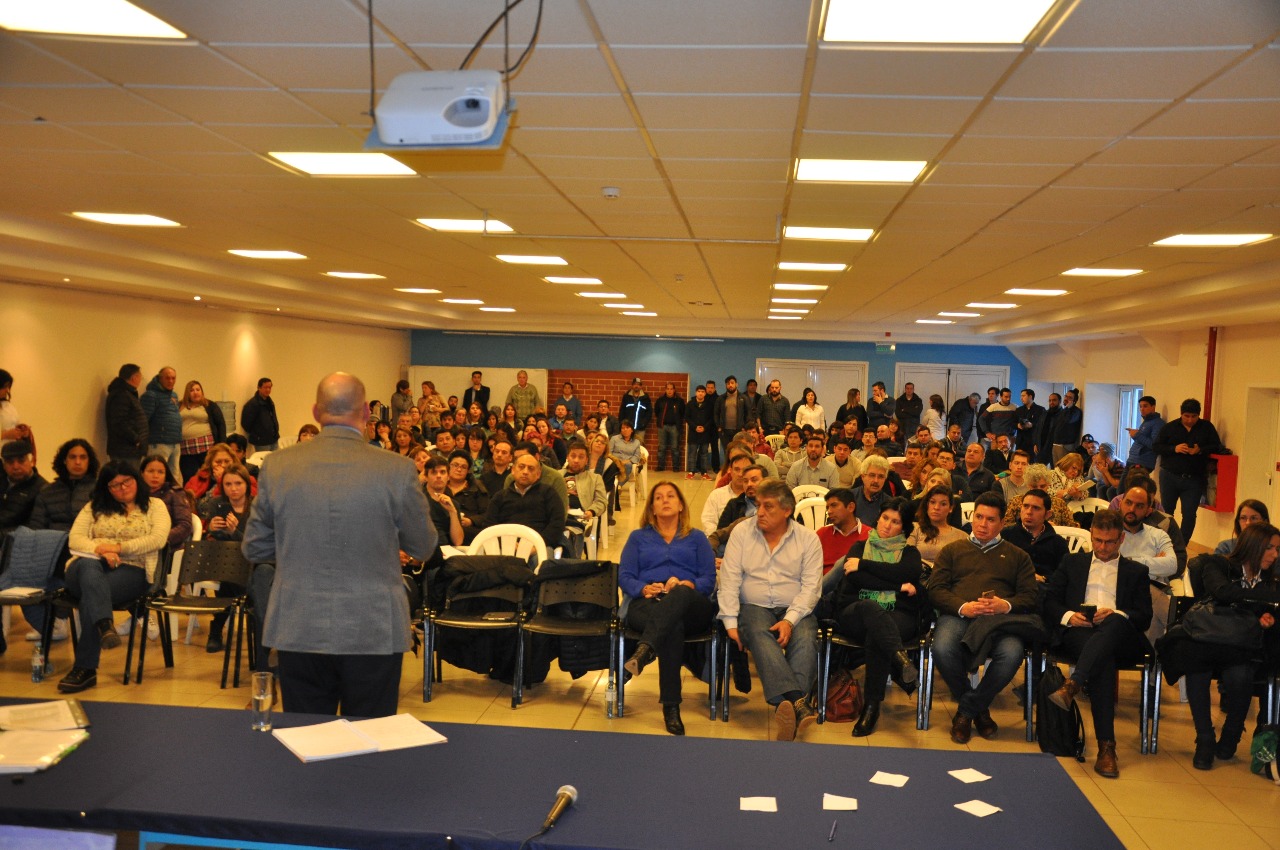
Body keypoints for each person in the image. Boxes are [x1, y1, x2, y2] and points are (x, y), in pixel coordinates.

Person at [241, 372, 434, 717]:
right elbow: (423, 545)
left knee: (308, 733)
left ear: (316, 412)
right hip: (373, 626)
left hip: (300, 623)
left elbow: (254, 547)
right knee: (371, 735)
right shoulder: (398, 469)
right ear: (366, 413)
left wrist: (301, 548)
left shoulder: (278, 466)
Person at [1157, 523, 1280, 770]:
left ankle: (1231, 735)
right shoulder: (1217, 564)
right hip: (1207, 637)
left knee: (1240, 675)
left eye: (1278, 549)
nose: (1275, 554)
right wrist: (1262, 603)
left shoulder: (1272, 578)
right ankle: (1204, 738)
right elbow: (1223, 592)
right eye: (1269, 548)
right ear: (1253, 546)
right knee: (1197, 667)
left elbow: (1264, 608)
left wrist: (1267, 617)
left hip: (1241, 645)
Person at [1042, 509, 1154, 778]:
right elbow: (1049, 601)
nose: (1103, 548)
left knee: (1114, 622)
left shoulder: (1136, 571)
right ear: (1091, 535)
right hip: (1080, 633)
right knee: (1103, 660)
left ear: (1121, 540)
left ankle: (1074, 683)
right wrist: (1070, 616)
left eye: (1110, 542)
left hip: (1122, 637)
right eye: (1098, 541)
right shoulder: (1072, 562)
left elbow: (1144, 616)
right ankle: (1106, 748)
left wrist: (1117, 613)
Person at [926, 491, 1039, 744]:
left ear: (1001, 523)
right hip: (959, 615)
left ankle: (967, 711)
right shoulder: (952, 551)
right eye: (978, 517)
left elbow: (1031, 596)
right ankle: (979, 710)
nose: (982, 524)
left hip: (999, 622)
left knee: (1012, 654)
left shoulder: (1018, 556)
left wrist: (1005, 605)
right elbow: (936, 590)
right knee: (942, 648)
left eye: (990, 519)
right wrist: (962, 607)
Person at [718, 478, 823, 742]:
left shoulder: (808, 540)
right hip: (754, 606)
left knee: (806, 638)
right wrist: (730, 622)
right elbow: (729, 579)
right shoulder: (742, 533)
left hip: (796, 607)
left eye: (768, 506)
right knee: (757, 631)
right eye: (758, 505)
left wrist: (790, 620)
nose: (760, 512)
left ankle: (786, 708)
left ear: (787, 510)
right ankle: (799, 702)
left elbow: (811, 588)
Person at [57, 461, 171, 693]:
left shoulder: (155, 506)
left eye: (126, 481)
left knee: (92, 595)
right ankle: (104, 625)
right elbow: (75, 539)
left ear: (136, 479)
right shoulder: (94, 507)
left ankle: (85, 668)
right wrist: (101, 550)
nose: (122, 488)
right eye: (115, 485)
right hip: (84, 566)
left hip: (132, 570)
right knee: (88, 568)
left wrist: (119, 548)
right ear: (106, 488)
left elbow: (157, 539)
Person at [619, 482, 718, 735]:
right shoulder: (638, 537)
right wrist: (643, 588)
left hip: (692, 605)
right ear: (651, 507)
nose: (665, 500)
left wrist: (688, 584)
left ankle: (645, 649)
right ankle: (671, 706)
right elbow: (625, 576)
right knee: (672, 627)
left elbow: (709, 579)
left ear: (681, 504)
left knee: (680, 594)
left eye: (671, 496)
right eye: (659, 497)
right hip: (648, 603)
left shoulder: (697, 538)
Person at [832, 497, 924, 736]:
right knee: (871, 608)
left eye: (895, 522)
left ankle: (871, 707)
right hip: (855, 612)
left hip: (899, 615)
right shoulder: (859, 547)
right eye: (885, 518)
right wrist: (897, 585)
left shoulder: (909, 553)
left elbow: (909, 571)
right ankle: (900, 661)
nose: (887, 525)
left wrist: (865, 565)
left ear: (903, 528)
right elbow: (855, 578)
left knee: (878, 633)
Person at [195, 463, 253, 653]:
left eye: (238, 483)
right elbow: (215, 539)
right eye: (228, 484)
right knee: (229, 567)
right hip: (222, 559)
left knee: (231, 576)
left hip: (250, 560)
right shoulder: (217, 503)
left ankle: (217, 627)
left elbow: (254, 543)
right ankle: (252, 609)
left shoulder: (256, 506)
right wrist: (212, 528)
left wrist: (234, 532)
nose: (233, 488)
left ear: (246, 484)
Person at [1153, 398, 1222, 543]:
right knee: (1167, 512)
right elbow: (1156, 446)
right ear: (1181, 414)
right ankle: (1164, 542)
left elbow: (1217, 446)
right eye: (1187, 416)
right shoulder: (1170, 427)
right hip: (1169, 476)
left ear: (1199, 415)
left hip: (1194, 478)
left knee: (1189, 514)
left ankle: (1181, 545)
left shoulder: (1206, 427)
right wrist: (1174, 448)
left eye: (1194, 416)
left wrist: (1200, 449)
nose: (1190, 420)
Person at [476, 451, 566, 551]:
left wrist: (537, 545)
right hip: (504, 547)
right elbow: (489, 526)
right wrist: (505, 543)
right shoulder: (500, 497)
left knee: (546, 555)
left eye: (531, 468)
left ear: (538, 474)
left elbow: (557, 524)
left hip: (538, 547)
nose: (525, 472)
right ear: (513, 470)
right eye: (521, 467)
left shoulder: (548, 493)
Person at [1001, 489, 1069, 582]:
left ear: (1047, 514)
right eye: (1025, 506)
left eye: (1036, 508)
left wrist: (1044, 578)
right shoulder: (1005, 535)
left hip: (1044, 587)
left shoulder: (1058, 542)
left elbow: (1065, 575)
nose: (1029, 512)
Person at [177, 380, 227, 483]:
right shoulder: (179, 406)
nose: (195, 392)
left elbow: (221, 424)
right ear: (187, 393)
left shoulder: (210, 405)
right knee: (189, 478)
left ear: (202, 391)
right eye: (192, 390)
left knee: (208, 476)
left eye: (198, 389)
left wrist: (221, 446)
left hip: (207, 448)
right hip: (186, 450)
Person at [906, 484, 966, 565]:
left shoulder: (962, 537)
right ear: (927, 504)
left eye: (943, 504)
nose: (936, 507)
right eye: (932, 502)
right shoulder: (914, 528)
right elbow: (907, 558)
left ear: (951, 508)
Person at [140, 367, 182, 480]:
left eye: (173, 378)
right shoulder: (150, 395)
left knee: (174, 476)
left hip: (175, 443)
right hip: (158, 443)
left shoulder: (174, 395)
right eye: (167, 378)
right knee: (156, 475)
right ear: (160, 378)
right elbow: (143, 420)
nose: (171, 381)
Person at [0, 439, 46, 534]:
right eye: (10, 462)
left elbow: (33, 527)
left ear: (32, 461)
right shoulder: (3, 481)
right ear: (4, 465)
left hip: (14, 539)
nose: (16, 467)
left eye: (21, 461)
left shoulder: (43, 489)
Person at [816, 488, 868, 571]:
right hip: (824, 578)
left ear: (850, 507)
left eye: (834, 505)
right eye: (827, 507)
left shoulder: (869, 535)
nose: (829, 511)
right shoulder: (822, 534)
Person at [105, 363, 148, 464]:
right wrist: (136, 439)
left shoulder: (127, 394)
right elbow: (119, 422)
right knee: (127, 474)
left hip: (129, 449)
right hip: (125, 450)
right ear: (134, 378)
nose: (140, 380)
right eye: (140, 377)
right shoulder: (122, 395)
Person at [241, 377, 280, 453]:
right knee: (263, 459)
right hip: (261, 441)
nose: (268, 390)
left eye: (269, 387)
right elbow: (246, 424)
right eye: (265, 387)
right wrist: (258, 434)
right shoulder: (253, 404)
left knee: (275, 459)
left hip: (273, 438)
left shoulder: (270, 402)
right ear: (259, 388)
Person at [1125, 395, 1163, 471]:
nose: (1142, 409)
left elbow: (1155, 445)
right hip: (1133, 459)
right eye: (1140, 406)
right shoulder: (1147, 421)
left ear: (1153, 407)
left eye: (1145, 406)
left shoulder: (1157, 423)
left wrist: (1137, 435)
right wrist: (1135, 435)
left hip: (1142, 463)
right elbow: (1142, 440)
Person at [0, 369, 33, 451]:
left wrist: (23, 433)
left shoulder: (9, 406)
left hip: (11, 453)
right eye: (4, 387)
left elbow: (15, 426)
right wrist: (4, 435)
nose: (7, 390)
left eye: (8, 386)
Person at [1050, 388, 1083, 463]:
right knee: (1056, 467)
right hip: (1056, 444)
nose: (1066, 398)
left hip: (1065, 446)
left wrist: (1068, 408)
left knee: (1063, 466)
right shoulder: (1064, 410)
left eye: (1070, 397)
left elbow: (1068, 420)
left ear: (1074, 401)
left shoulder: (1076, 412)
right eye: (1066, 396)